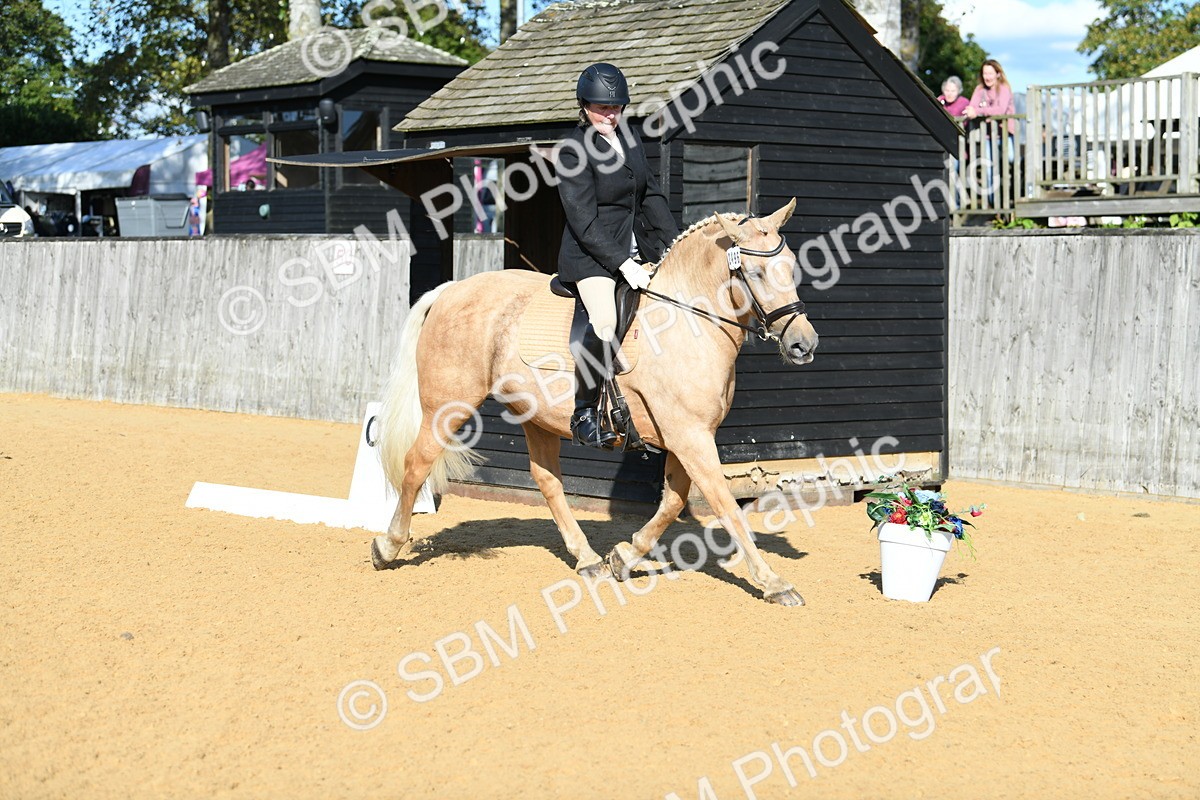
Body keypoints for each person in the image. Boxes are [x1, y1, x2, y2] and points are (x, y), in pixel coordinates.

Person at [556, 62, 681, 449]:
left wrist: (676, 245)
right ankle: (585, 412)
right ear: (584, 105)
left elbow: (650, 196)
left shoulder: (629, 139)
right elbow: (583, 221)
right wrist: (624, 263)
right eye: (601, 108)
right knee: (605, 320)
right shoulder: (572, 149)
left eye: (616, 107)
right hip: (592, 257)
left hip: (636, 249)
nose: (610, 115)